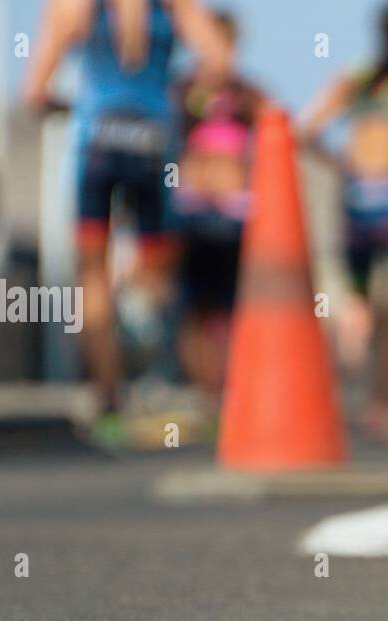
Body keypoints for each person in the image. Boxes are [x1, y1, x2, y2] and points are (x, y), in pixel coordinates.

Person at [23, 0, 229, 426]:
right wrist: (179, 99)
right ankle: (204, 395)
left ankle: (109, 401)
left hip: (97, 143)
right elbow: (219, 61)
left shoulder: (77, 7)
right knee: (165, 277)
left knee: (93, 273)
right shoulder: (171, 8)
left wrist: (69, 108)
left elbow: (34, 92)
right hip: (155, 143)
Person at [300, 5, 388, 442]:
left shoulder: (356, 76)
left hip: (358, 202)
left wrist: (343, 165)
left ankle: (340, 387)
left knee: (358, 304)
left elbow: (306, 129)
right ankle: (379, 403)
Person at [173, 9, 264, 396]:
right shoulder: (182, 91)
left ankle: (230, 391)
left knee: (234, 308)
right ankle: (207, 391)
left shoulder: (248, 95)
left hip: (234, 217)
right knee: (192, 307)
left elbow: (277, 136)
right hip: (192, 214)